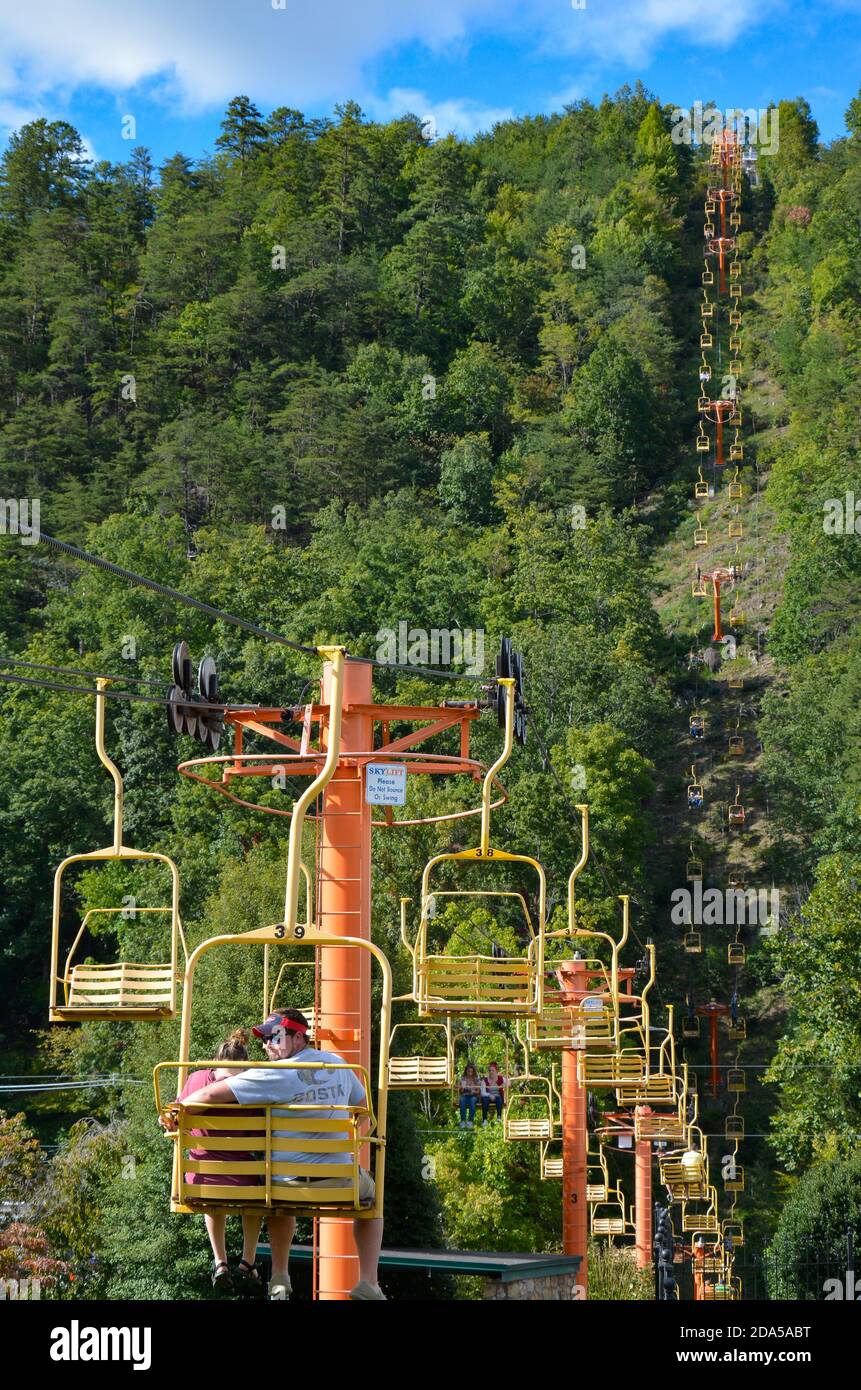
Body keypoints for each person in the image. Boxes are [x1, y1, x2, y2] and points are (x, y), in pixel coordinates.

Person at [168, 1009, 384, 1302]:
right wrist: (351, 1147)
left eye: (274, 1037)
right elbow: (364, 1112)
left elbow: (208, 1095)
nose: (266, 1044)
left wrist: (174, 1113)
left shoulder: (270, 1074)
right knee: (374, 1196)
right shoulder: (340, 1065)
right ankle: (369, 1282)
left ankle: (280, 1275)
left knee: (280, 1194)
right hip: (339, 1183)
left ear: (298, 1038)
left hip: (285, 1184)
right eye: (265, 1038)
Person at [160, 1028, 264, 1292]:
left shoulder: (196, 1079)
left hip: (200, 1179)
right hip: (246, 1181)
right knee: (259, 1190)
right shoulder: (254, 1085)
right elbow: (260, 1134)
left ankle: (220, 1261)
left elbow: (175, 1124)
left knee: (212, 1191)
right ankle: (248, 1260)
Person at [458, 1063, 480, 1128]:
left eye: (471, 1071)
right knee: (462, 1100)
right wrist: (462, 1088)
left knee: (472, 1101)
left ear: (473, 1072)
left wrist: (472, 1091)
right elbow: (461, 1091)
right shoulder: (463, 1079)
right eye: (468, 1071)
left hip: (473, 1095)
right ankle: (463, 1120)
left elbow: (478, 1091)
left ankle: (470, 1120)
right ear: (466, 1071)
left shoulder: (476, 1079)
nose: (470, 1073)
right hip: (465, 1095)